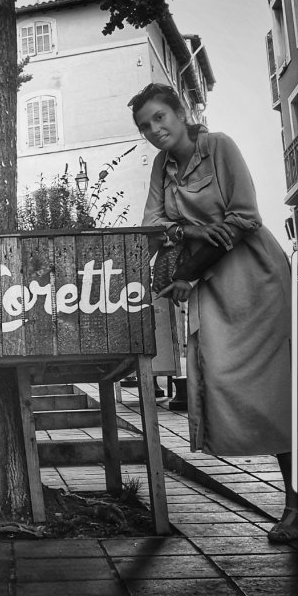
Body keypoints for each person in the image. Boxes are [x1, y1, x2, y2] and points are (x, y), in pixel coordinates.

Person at [129, 82, 297, 543]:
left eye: (160, 117)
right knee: (225, 383)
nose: (154, 130)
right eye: (145, 126)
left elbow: (244, 218)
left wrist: (187, 265)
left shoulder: (220, 146)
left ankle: (294, 506)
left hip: (255, 278)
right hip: (210, 286)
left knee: (278, 390)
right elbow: (151, 225)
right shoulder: (162, 167)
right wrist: (190, 233)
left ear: (181, 113)